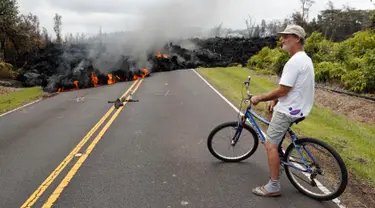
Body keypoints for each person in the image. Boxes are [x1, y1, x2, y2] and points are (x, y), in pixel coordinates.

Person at [249, 24, 315, 197]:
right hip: (298, 107)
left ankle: (273, 186)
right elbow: (292, 88)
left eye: (286, 36)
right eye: (282, 36)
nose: (282, 39)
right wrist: (275, 100)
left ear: (297, 38)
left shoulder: (294, 62)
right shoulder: (305, 59)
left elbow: (283, 90)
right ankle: (280, 158)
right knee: (274, 136)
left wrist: (259, 97)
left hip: (289, 110)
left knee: (270, 144)